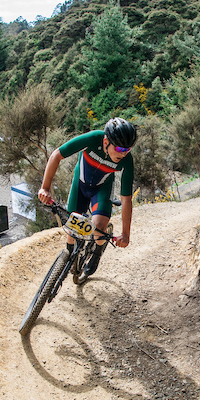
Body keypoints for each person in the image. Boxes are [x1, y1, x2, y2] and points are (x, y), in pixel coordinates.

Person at [38, 117, 137, 280]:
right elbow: (57, 155)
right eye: (120, 148)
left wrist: (126, 234)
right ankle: (68, 256)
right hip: (80, 186)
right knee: (71, 230)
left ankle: (97, 252)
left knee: (99, 228)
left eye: (128, 149)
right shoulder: (92, 139)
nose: (124, 153)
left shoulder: (127, 160)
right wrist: (45, 188)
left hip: (102, 190)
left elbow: (126, 199)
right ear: (106, 141)